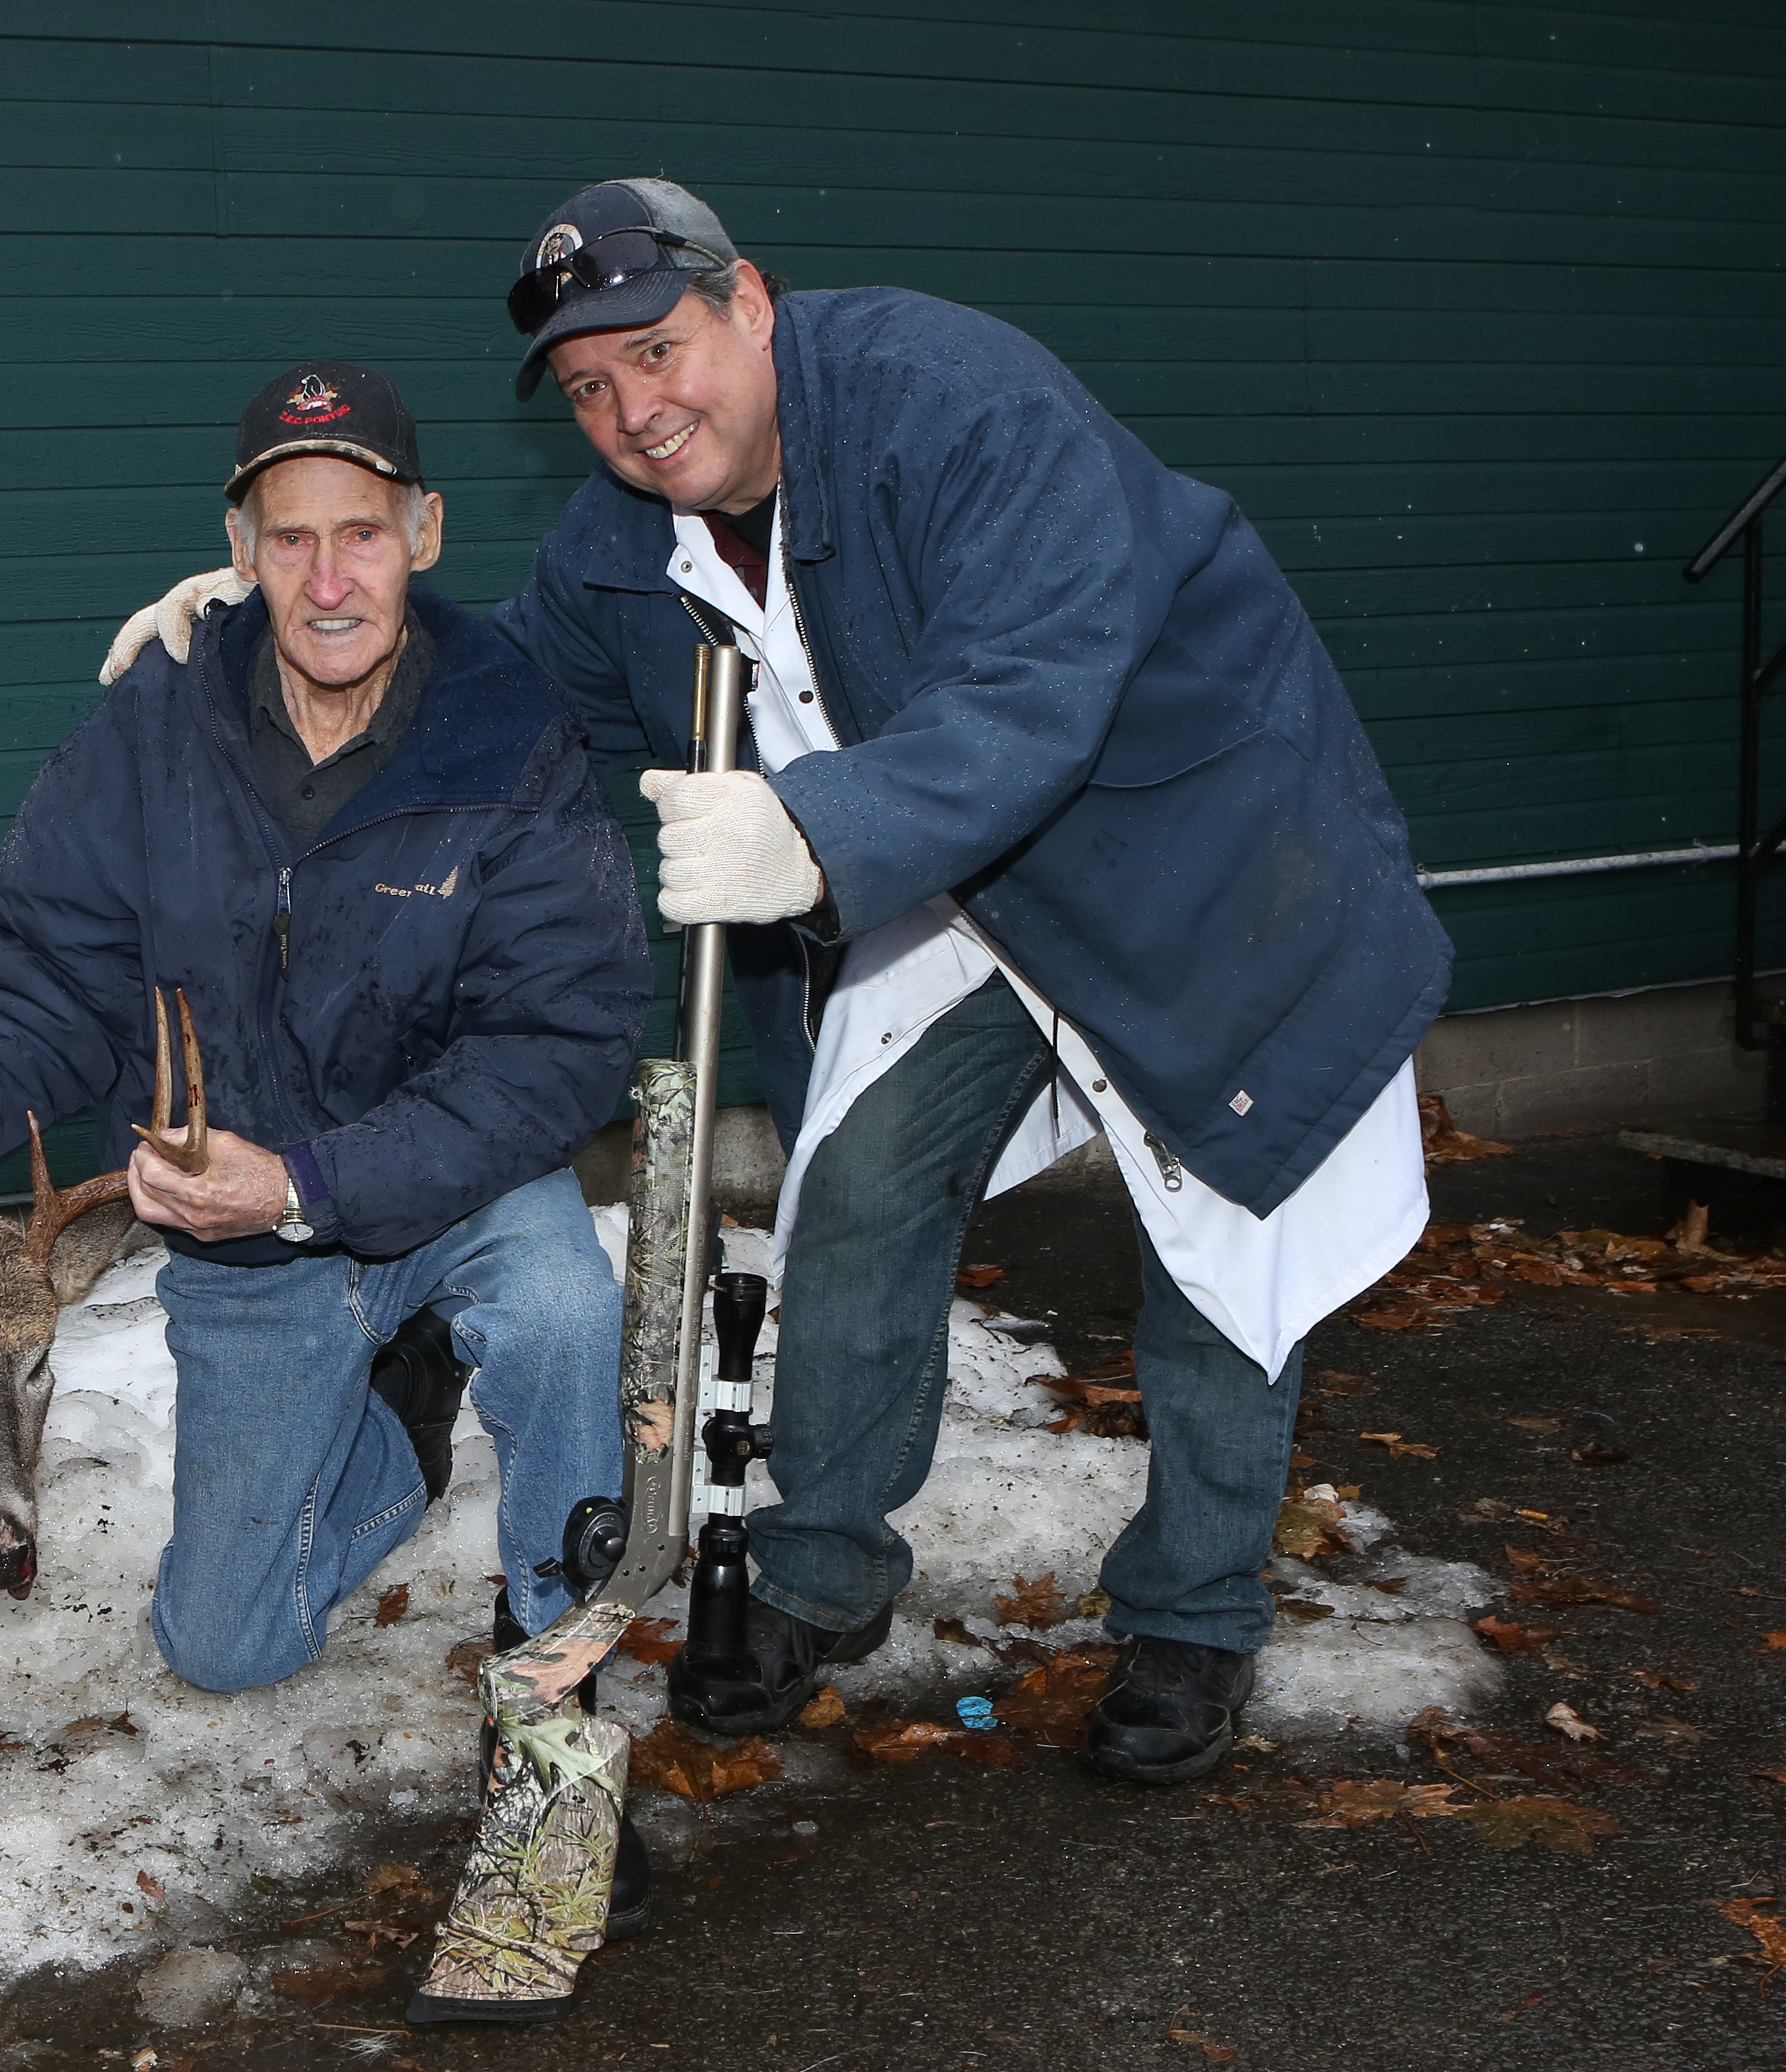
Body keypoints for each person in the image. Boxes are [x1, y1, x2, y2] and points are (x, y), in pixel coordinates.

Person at [102, 184, 1450, 1786]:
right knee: (870, 1185)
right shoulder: (625, 542)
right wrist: (286, 634)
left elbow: (1037, 686)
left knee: (1221, 1240)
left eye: (658, 352)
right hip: (968, 895)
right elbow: (507, 695)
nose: (635, 410)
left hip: (1205, 863)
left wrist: (806, 830)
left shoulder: (955, 405)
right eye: (591, 389)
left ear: (750, 301)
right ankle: (818, 1577)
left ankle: (1195, 1614)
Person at [0, 361, 657, 1910]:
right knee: (229, 1645)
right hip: (234, 1220)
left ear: (427, 534)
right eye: (292, 536)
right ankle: (399, 1412)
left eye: (365, 534)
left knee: (574, 1312)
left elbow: (566, 1038)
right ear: (239, 548)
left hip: (445, 1175)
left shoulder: (510, 729)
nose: (331, 579)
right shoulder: (148, 732)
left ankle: (558, 1731)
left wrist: (318, 1180)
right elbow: (46, 990)